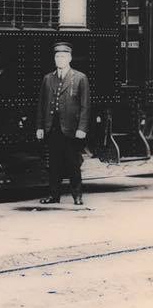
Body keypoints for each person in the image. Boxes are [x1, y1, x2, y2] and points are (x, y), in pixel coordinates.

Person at [36, 41, 89, 204]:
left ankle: (77, 196)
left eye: (63, 56)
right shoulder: (47, 78)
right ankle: (54, 195)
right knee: (54, 164)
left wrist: (82, 128)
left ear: (70, 58)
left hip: (71, 129)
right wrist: (40, 127)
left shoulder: (80, 78)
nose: (59, 59)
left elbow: (85, 106)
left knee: (73, 163)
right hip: (53, 128)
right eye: (57, 56)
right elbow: (41, 105)